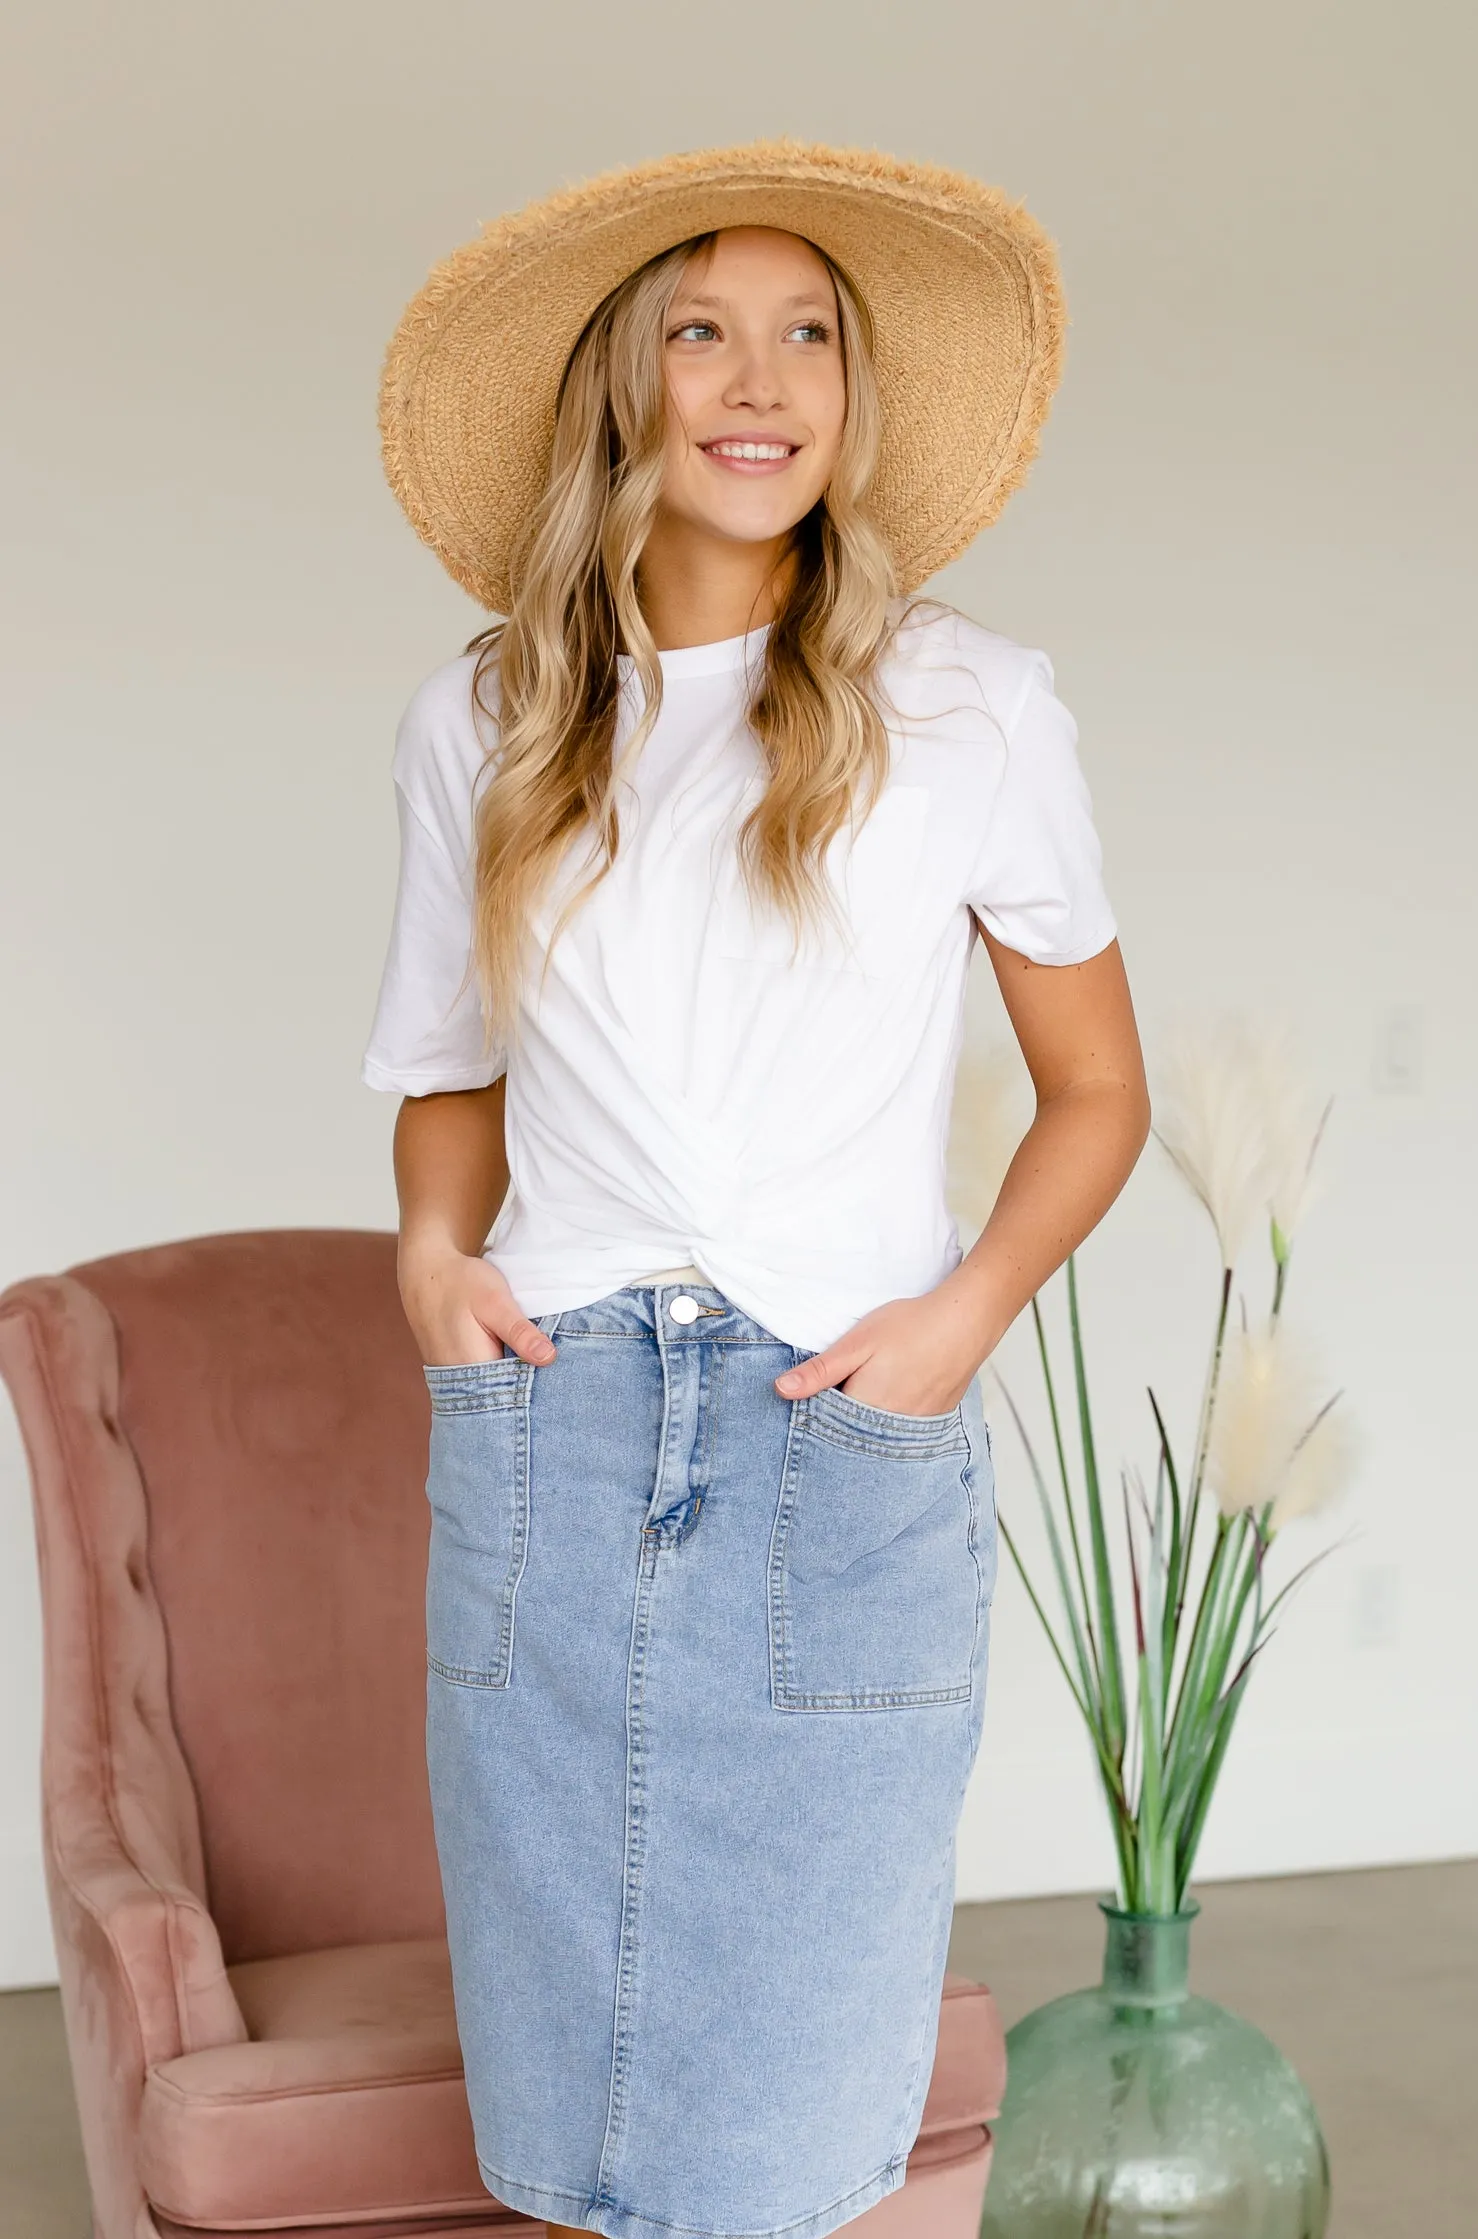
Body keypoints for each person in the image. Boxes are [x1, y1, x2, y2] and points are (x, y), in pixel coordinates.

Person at [363, 141, 1149, 2239]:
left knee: (802, 2117)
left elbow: (1094, 1092)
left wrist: (957, 1323)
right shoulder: (494, 712)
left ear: (850, 393)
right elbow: (448, 1078)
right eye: (701, 327)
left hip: (837, 1428)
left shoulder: (972, 705)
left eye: (808, 332)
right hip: (558, 1413)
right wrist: (432, 1265)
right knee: (563, 2098)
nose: (760, 376)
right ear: (624, 382)